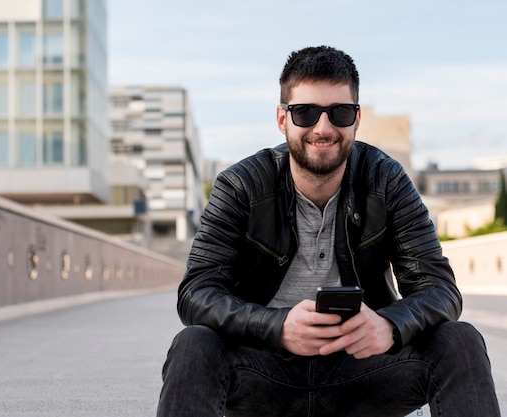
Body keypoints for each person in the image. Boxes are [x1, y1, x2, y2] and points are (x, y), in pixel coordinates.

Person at [156, 46, 501, 417]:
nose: (323, 128)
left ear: (356, 119)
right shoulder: (241, 185)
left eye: (340, 112)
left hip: (365, 370)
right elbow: (196, 292)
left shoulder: (387, 180)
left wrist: (390, 325)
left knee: (460, 340)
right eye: (304, 112)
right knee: (193, 344)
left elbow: (440, 289)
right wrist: (278, 327)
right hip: (262, 373)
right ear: (281, 118)